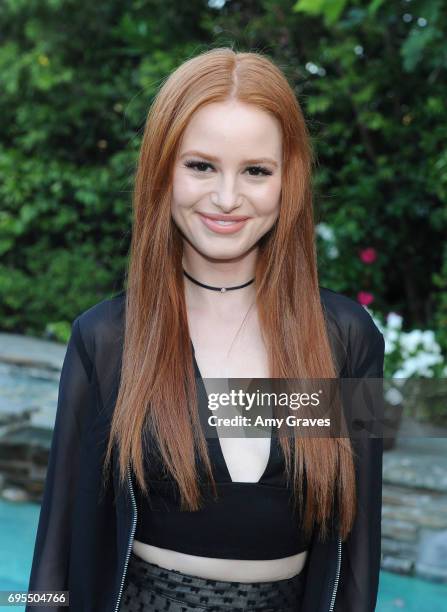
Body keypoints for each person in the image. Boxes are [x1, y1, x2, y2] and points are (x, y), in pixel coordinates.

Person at [26, 47, 385, 612]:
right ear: (162, 169)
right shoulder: (107, 339)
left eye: (256, 171)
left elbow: (360, 555)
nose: (226, 198)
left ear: (287, 180)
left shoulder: (344, 337)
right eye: (201, 165)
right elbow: (55, 549)